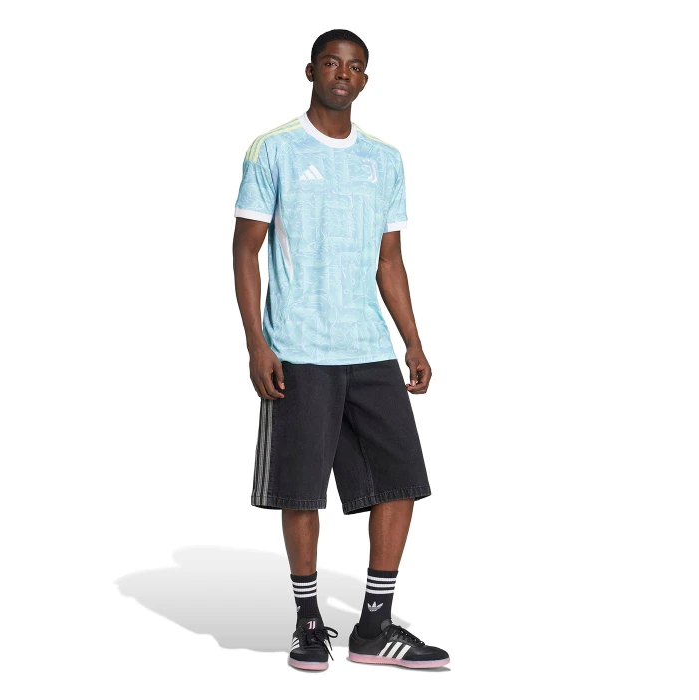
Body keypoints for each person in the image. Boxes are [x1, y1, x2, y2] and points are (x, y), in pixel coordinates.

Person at [232, 28, 450, 671]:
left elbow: (391, 260)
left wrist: (413, 341)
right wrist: (257, 343)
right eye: (331, 63)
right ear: (311, 71)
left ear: (365, 79)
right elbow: (245, 249)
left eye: (354, 66)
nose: (342, 74)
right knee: (301, 492)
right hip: (298, 348)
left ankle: (375, 626)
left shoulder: (385, 160)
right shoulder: (273, 149)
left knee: (401, 480)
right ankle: (308, 620)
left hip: (368, 347)